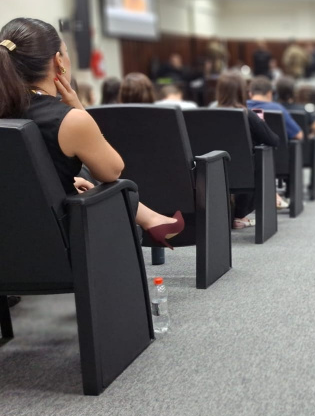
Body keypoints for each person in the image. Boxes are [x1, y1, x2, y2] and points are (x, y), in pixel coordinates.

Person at [0, 18, 184, 248]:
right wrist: (79, 109)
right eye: (66, 52)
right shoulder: (69, 120)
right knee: (118, 185)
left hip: (9, 236)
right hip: (62, 240)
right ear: (58, 61)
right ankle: (153, 220)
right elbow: (112, 170)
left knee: (83, 175)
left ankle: (154, 220)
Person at [215, 70, 286, 224]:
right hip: (243, 175)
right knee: (257, 160)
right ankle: (239, 214)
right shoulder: (247, 114)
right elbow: (273, 140)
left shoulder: (207, 113)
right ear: (242, 91)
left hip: (213, 172)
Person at [246, 76, 303, 141]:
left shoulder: (243, 107)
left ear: (250, 94)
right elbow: (299, 135)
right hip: (277, 147)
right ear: (269, 93)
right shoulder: (277, 108)